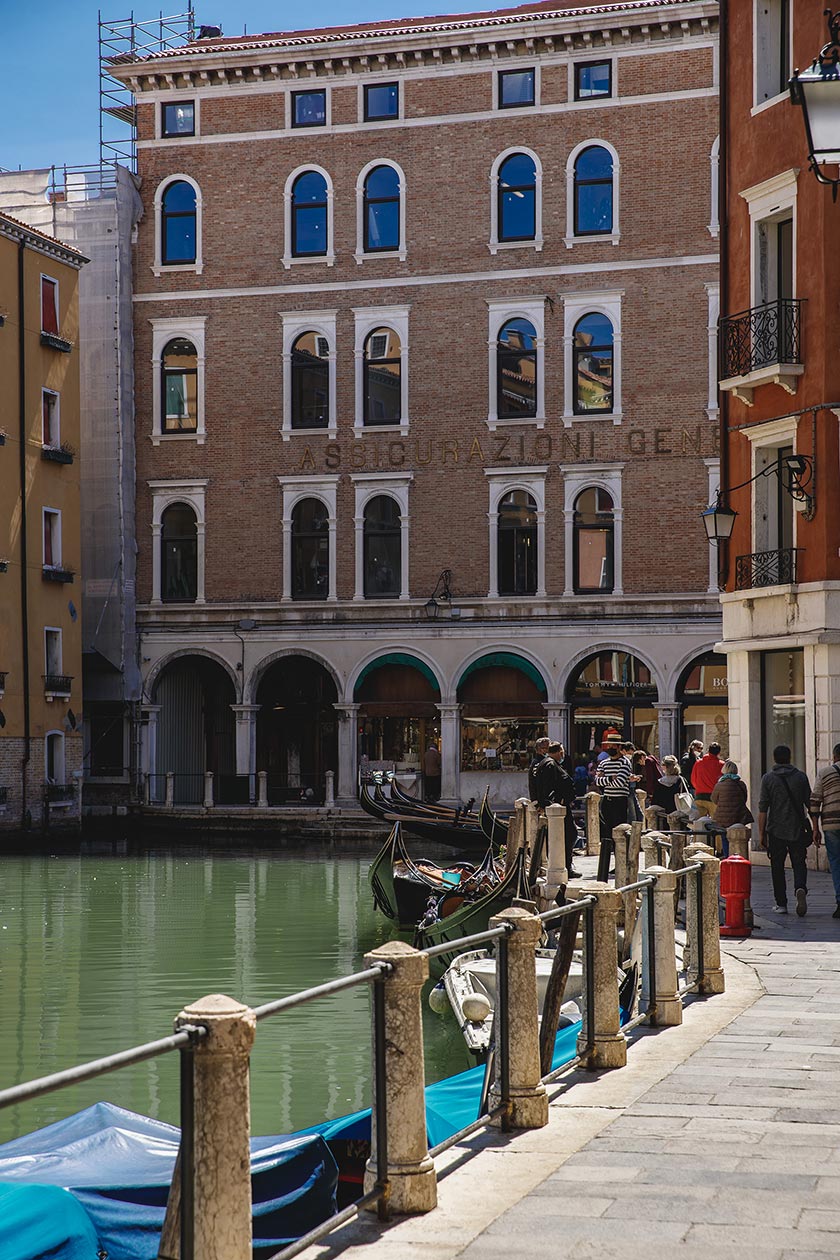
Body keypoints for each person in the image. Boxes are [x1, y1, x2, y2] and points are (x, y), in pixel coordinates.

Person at [758, 744, 813, 916]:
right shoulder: (801, 777)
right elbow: (810, 804)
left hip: (775, 830)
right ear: (790, 758)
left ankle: (781, 903)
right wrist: (816, 828)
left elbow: (762, 809)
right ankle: (800, 887)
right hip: (797, 828)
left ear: (774, 759)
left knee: (777, 867)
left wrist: (761, 834)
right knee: (799, 863)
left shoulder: (768, 779)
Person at [534, 742, 581, 878]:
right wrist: (554, 802)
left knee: (569, 835)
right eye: (562, 752)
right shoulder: (549, 765)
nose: (563, 755)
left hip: (560, 808)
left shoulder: (548, 763)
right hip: (558, 810)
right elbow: (547, 786)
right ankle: (563, 867)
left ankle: (565, 866)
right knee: (570, 835)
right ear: (558, 752)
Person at [595, 740, 634, 881]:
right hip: (607, 801)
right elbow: (597, 781)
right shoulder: (603, 763)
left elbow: (620, 781)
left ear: (619, 747)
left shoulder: (625, 763)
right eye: (608, 745)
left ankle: (621, 864)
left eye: (613, 745)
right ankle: (606, 866)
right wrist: (611, 777)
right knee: (607, 834)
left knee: (620, 834)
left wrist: (606, 779)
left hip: (619, 801)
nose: (610, 748)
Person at [809, 743, 840, 918]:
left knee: (836, 863)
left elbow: (815, 801)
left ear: (834, 756)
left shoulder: (825, 773)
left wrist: (815, 828)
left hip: (831, 824)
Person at [711, 759, 752, 829]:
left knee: (724, 836)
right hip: (738, 816)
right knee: (737, 836)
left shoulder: (719, 785)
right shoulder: (741, 784)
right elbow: (744, 799)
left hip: (722, 817)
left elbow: (714, 799)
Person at [691, 742, 724, 818]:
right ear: (719, 752)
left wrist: (699, 787)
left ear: (708, 751)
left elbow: (693, 780)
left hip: (700, 797)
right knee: (715, 824)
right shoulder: (721, 765)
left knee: (699, 825)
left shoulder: (698, 763)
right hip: (714, 799)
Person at [528, 736, 551, 802]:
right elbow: (537, 783)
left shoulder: (537, 761)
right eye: (548, 748)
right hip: (542, 799)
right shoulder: (540, 762)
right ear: (541, 749)